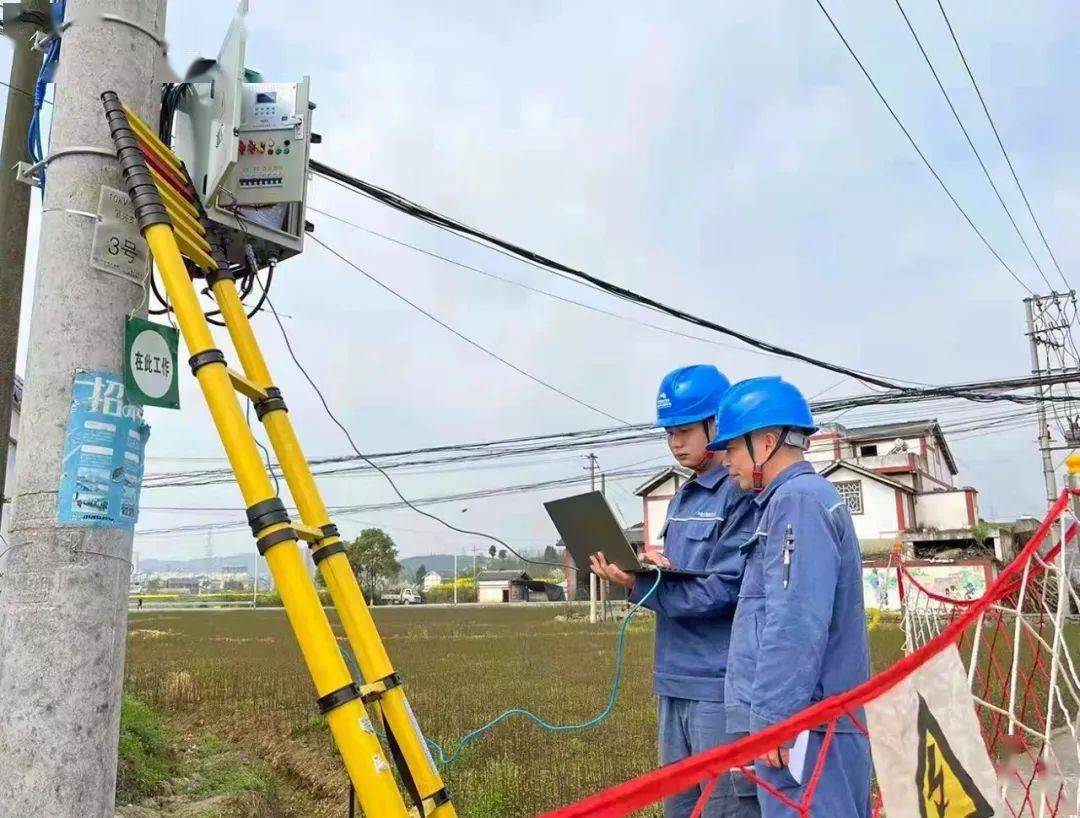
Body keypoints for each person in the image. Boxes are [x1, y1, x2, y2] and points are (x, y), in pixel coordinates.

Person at [590, 364, 759, 818]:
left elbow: (723, 591)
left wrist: (639, 583)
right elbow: (685, 575)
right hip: (674, 680)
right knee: (680, 808)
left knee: (722, 808)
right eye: (669, 433)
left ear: (717, 425)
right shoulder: (684, 497)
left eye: (684, 430)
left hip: (717, 687)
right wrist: (652, 569)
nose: (675, 442)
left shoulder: (739, 492)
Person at [705, 377, 871, 818]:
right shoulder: (792, 500)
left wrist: (776, 719)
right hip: (806, 724)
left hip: (805, 730)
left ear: (766, 441)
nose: (726, 463)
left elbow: (795, 620)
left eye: (733, 449)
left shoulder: (797, 502)